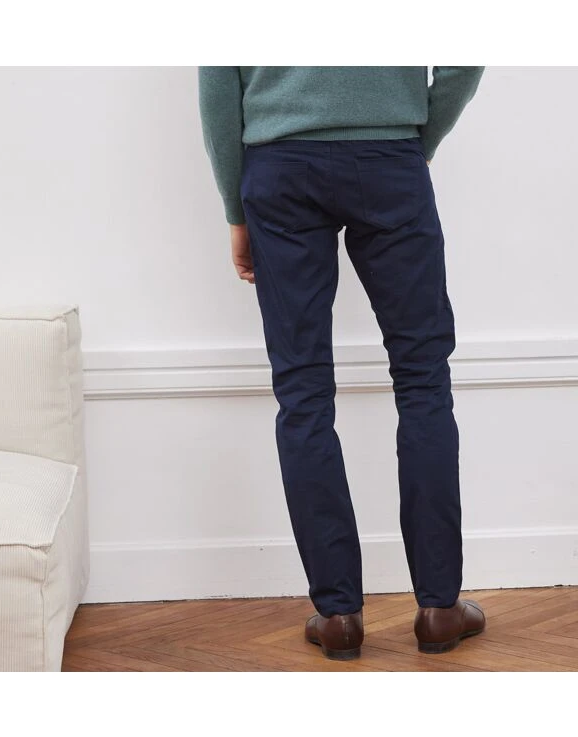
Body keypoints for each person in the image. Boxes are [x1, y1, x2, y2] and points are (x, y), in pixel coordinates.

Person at [198, 66, 485, 660]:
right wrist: (418, 137)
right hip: (389, 158)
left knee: (302, 392)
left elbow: (219, 84)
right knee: (423, 380)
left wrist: (235, 207)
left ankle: (338, 616)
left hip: (279, 167)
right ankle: (438, 608)